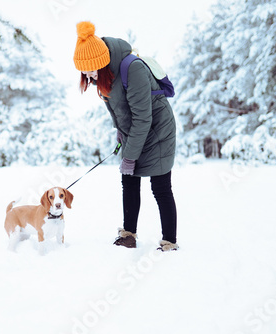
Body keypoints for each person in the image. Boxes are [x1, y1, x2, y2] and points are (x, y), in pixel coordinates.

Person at [73, 21, 179, 252]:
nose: (88, 75)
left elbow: (143, 117)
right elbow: (118, 110)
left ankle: (169, 241)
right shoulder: (101, 76)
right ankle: (128, 234)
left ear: (101, 62)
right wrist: (121, 133)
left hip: (158, 130)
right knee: (128, 180)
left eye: (91, 69)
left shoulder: (132, 69)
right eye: (84, 71)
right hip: (136, 130)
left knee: (160, 185)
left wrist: (129, 155)